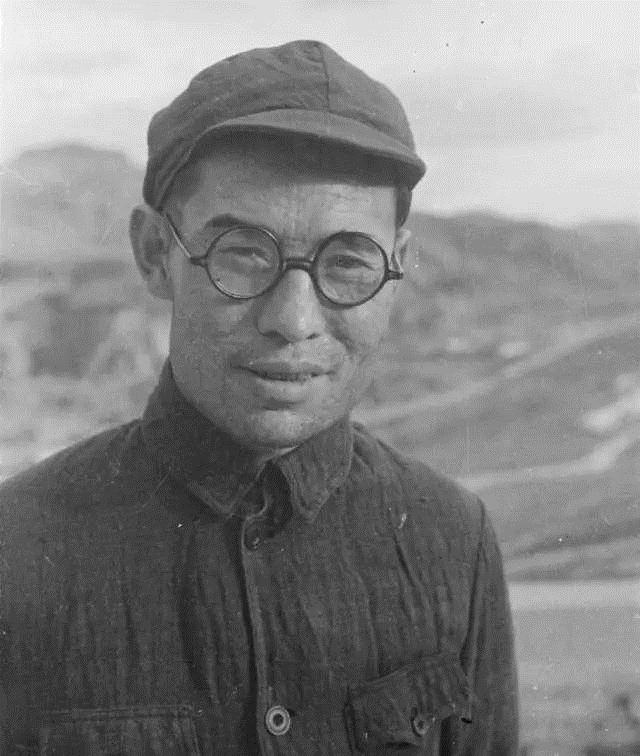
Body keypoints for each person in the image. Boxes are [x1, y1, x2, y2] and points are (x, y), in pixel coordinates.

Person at [0, 40, 518, 755]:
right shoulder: (14, 548)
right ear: (154, 253)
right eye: (243, 252)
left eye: (349, 262)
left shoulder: (455, 539)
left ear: (400, 265)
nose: (294, 320)